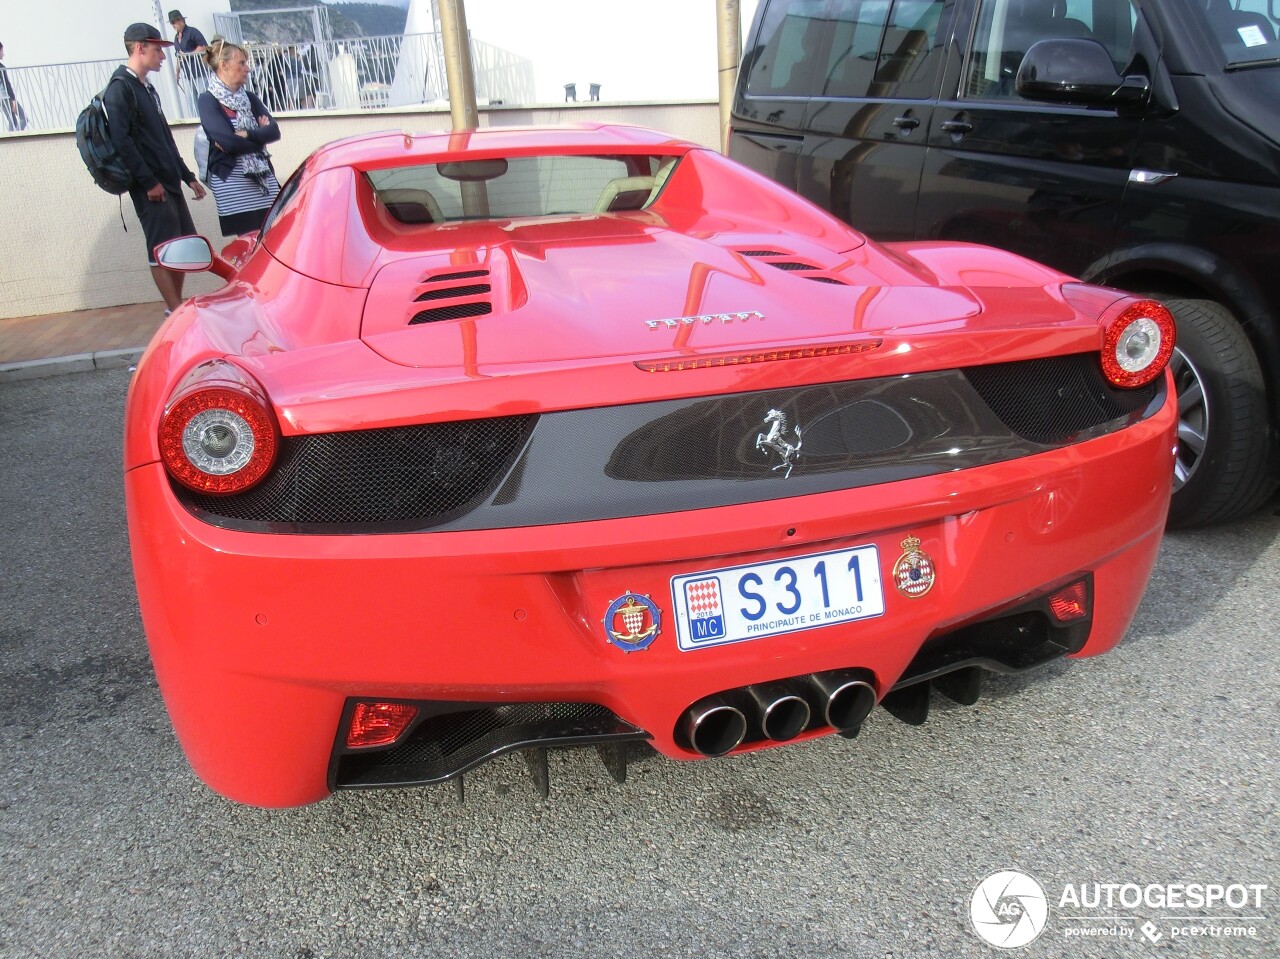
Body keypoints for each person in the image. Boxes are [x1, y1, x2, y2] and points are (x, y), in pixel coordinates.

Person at [104, 23, 207, 312]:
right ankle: (175, 310)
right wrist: (148, 182)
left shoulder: (145, 88)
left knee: (183, 247)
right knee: (161, 250)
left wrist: (187, 177)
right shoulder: (120, 89)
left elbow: (164, 138)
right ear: (140, 48)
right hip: (150, 186)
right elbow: (122, 142)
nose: (163, 56)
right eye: (157, 49)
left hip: (169, 180)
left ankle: (176, 307)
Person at [198, 37, 281, 236]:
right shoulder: (208, 100)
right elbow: (228, 142)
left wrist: (247, 134)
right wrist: (258, 140)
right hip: (234, 188)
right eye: (242, 63)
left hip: (263, 184)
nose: (248, 69)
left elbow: (274, 131)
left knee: (276, 235)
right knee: (249, 244)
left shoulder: (250, 98)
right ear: (224, 65)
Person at [168, 10, 208, 109]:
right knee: (191, 103)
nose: (173, 25)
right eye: (171, 23)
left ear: (181, 20)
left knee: (204, 99)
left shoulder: (192, 32)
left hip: (199, 72)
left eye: (174, 22)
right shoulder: (176, 38)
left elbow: (203, 47)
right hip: (187, 74)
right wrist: (177, 73)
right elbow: (178, 55)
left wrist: (188, 55)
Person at [0, 41, 26, 132]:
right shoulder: (1, 67)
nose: (3, 54)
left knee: (13, 121)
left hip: (2, 99)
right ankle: (14, 139)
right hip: (6, 97)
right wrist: (13, 99)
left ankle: (13, 138)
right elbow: (7, 84)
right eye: (2, 51)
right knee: (23, 119)